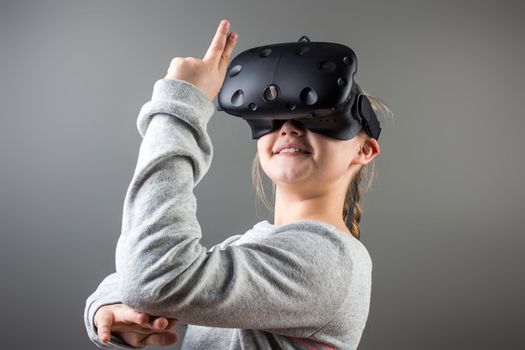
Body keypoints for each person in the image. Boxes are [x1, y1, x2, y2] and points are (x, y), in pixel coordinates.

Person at [84, 19, 391, 349]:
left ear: (364, 150)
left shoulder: (329, 261)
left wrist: (180, 104)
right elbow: (141, 276)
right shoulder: (252, 247)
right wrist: (107, 306)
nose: (289, 128)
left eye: (319, 119)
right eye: (273, 120)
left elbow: (155, 276)